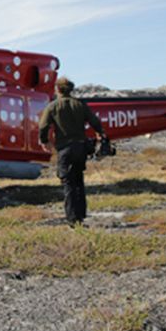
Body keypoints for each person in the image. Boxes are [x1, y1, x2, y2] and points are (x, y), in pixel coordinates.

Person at [38, 76, 107, 225]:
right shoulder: (80, 105)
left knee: (68, 184)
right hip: (81, 148)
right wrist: (101, 134)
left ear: (57, 89)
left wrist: (45, 141)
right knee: (79, 181)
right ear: (71, 89)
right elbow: (95, 122)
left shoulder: (52, 106)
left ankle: (72, 219)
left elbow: (43, 126)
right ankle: (81, 215)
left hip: (65, 149)